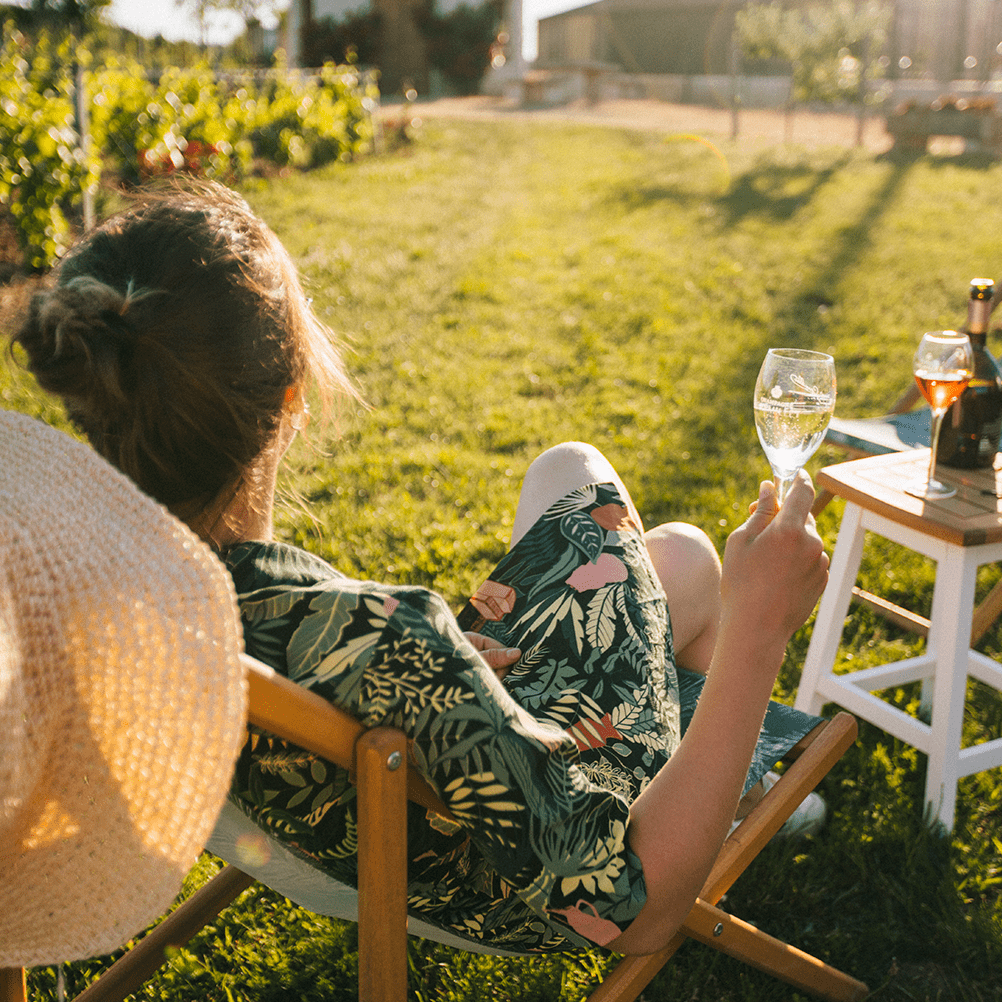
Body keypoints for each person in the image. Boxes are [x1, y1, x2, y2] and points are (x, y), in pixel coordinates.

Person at [10, 180, 830, 957]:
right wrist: (761, 627)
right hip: (531, 852)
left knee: (650, 535)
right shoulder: (386, 647)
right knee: (653, 530)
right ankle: (726, 794)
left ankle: (735, 780)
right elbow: (631, 908)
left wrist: (459, 679)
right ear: (289, 398)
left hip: (437, 774)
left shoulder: (69, 583)